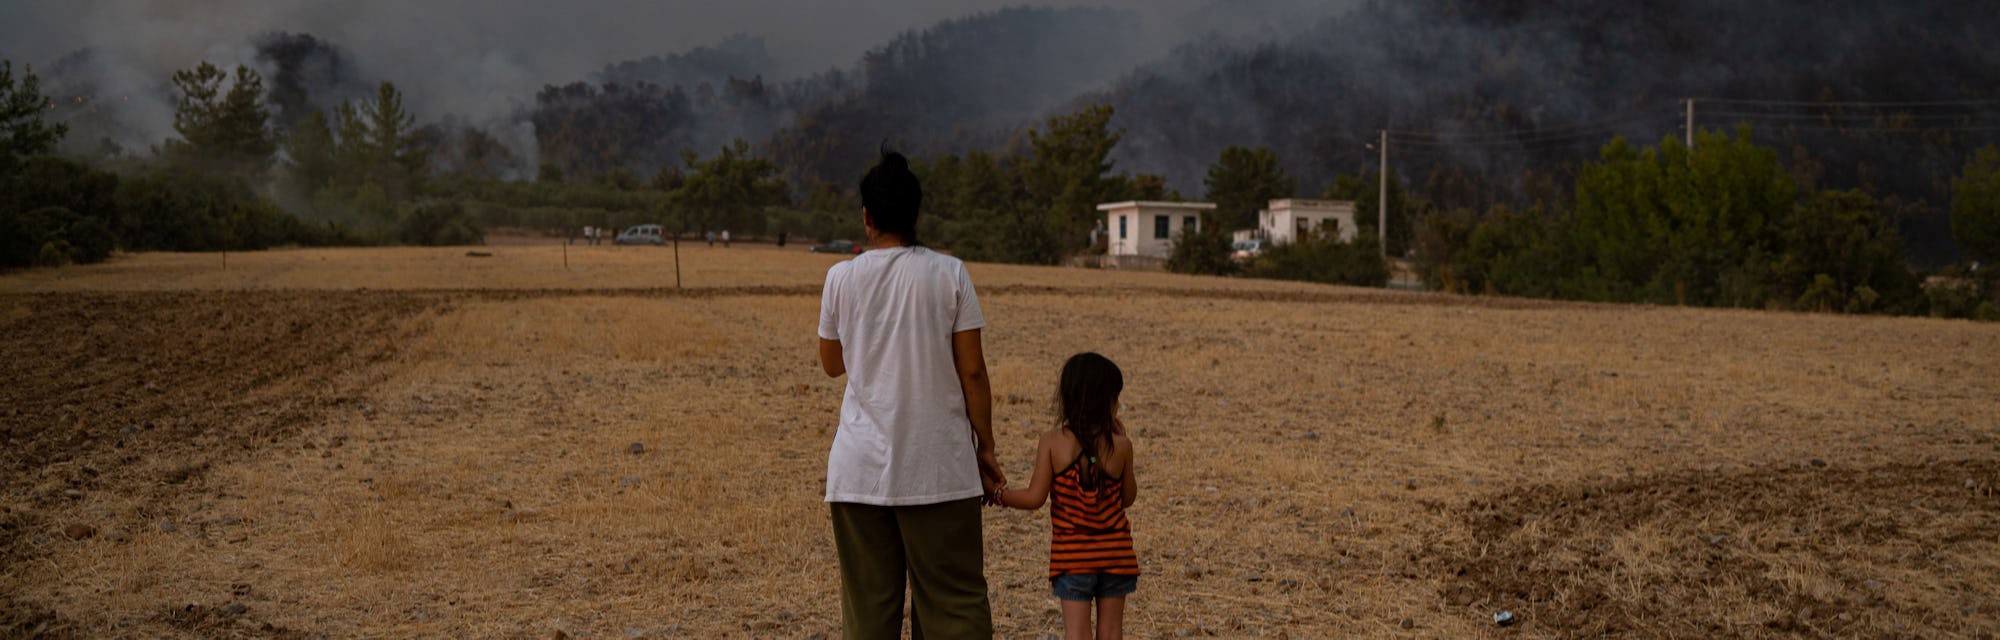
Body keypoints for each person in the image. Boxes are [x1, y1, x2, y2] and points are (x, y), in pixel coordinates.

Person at [817, 151, 1003, 638]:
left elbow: (833, 364)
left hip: (859, 474)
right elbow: (974, 373)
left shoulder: (840, 278)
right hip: (940, 468)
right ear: (917, 215)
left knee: (868, 615)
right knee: (954, 606)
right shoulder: (950, 273)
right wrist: (984, 445)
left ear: (866, 216)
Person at [989, 352, 1140, 640]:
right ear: (1107, 402)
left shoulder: (1052, 443)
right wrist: (1122, 441)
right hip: (1116, 555)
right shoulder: (1122, 446)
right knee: (1111, 633)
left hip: (1072, 558)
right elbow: (1127, 498)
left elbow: (1034, 498)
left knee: (1077, 634)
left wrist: (998, 494)